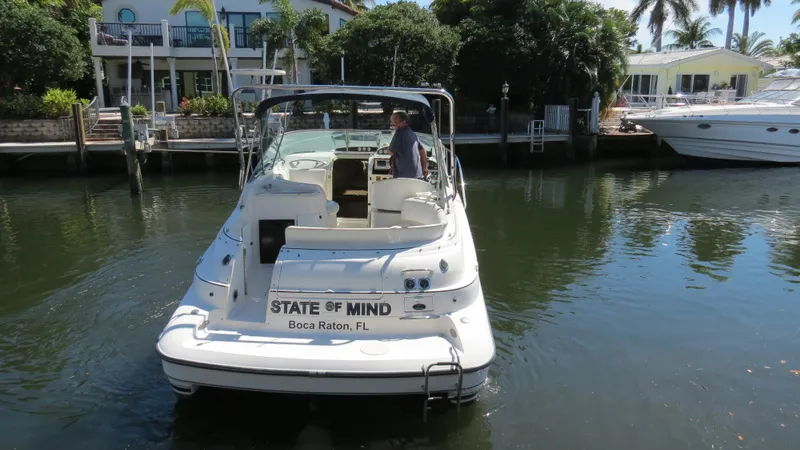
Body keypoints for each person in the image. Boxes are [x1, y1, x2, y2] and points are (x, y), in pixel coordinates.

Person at [387, 111, 427, 179]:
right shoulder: (412, 133)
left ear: (404, 122)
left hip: (403, 177)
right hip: (417, 175)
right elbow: (422, 150)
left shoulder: (399, 133)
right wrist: (424, 168)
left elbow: (390, 152)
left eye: (395, 123)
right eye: (392, 123)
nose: (393, 126)